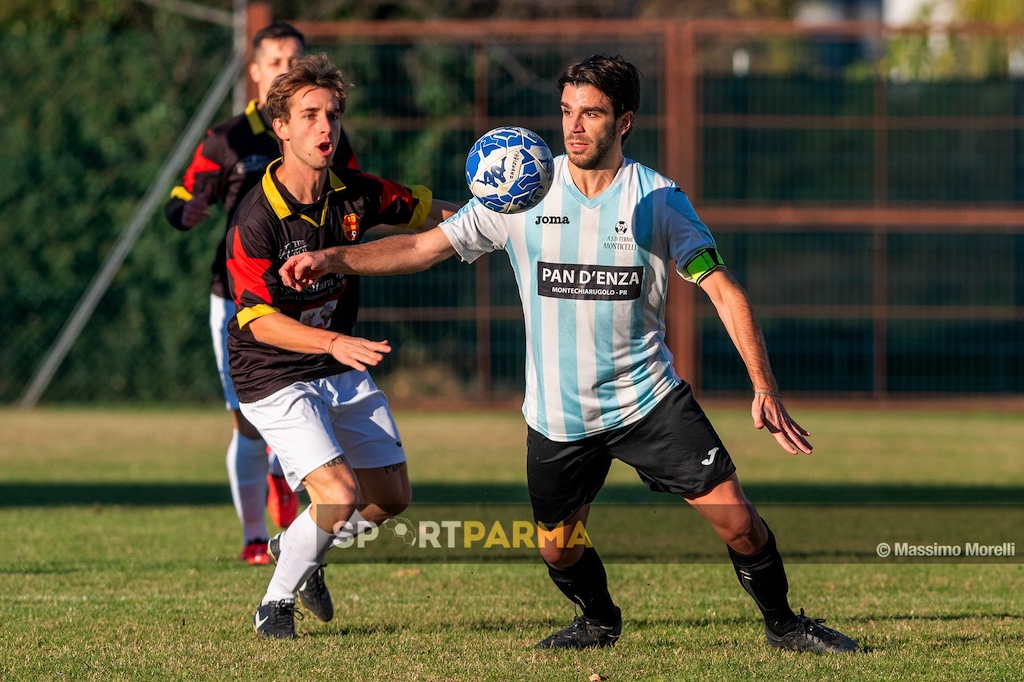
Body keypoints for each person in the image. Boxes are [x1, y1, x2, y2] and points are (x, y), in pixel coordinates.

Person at [278, 54, 861, 654]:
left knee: (738, 521)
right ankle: (599, 621)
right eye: (566, 112)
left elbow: (723, 290)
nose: (574, 126)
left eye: (592, 113)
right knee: (558, 546)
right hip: (558, 417)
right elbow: (423, 248)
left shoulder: (659, 200)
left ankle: (785, 625)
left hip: (648, 402)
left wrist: (763, 386)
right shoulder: (521, 192)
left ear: (625, 121)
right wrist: (332, 259)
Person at [226, 53, 460, 639]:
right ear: (280, 127)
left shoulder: (357, 193)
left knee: (392, 498)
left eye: (332, 114)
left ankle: (298, 547)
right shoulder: (256, 219)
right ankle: (273, 608)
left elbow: (434, 218)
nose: (325, 127)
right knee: (337, 492)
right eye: (309, 116)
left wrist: (504, 223)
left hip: (337, 362)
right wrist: (333, 341)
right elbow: (256, 320)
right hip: (272, 373)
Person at [165, 22, 359, 565]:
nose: (286, 69)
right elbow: (181, 198)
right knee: (248, 418)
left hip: (309, 291)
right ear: (255, 72)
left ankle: (290, 476)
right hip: (237, 295)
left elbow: (359, 202)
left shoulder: (323, 130)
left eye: (295, 59)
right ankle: (256, 533)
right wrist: (188, 210)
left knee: (308, 403)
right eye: (276, 61)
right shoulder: (227, 139)